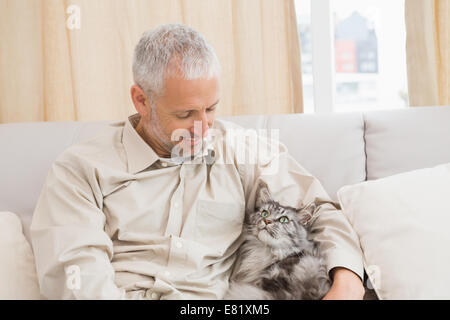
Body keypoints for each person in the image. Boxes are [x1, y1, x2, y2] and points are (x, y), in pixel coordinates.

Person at [30, 23, 365, 300]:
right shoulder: (80, 169)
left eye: (211, 108)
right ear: (141, 100)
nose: (204, 127)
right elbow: (75, 279)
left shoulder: (242, 153)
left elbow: (318, 209)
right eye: (185, 114)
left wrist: (347, 283)